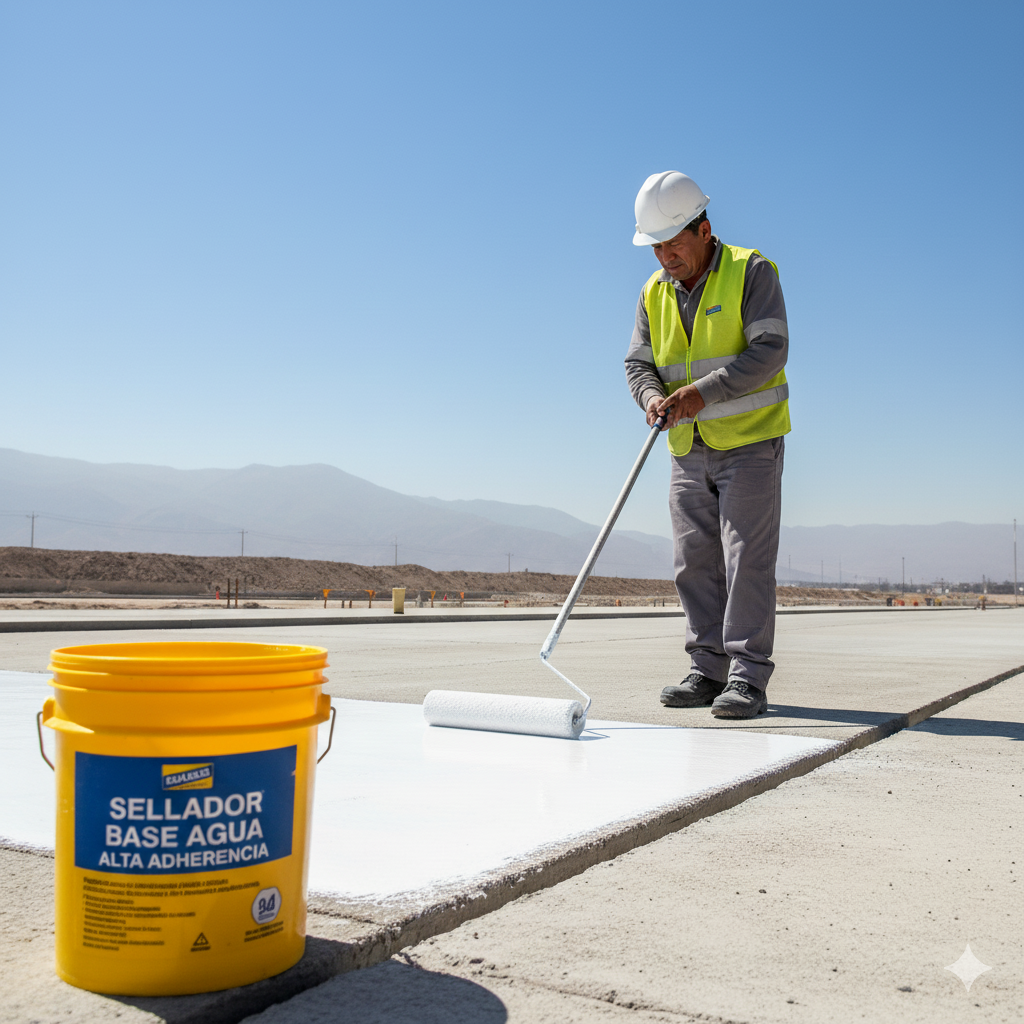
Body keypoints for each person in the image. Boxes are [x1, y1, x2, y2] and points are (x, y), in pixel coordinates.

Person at [624, 171, 790, 718]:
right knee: (693, 560)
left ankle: (746, 679)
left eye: (674, 242)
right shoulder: (654, 292)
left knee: (746, 559)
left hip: (749, 442)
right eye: (657, 247)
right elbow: (639, 362)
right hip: (686, 448)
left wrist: (702, 394)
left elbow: (770, 350)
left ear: (705, 230)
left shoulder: (751, 271)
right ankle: (706, 669)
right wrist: (651, 397)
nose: (665, 256)